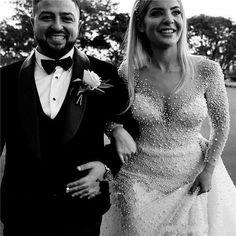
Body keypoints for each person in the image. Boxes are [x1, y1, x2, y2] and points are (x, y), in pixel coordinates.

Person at [100, 0, 236, 235]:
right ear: (141, 25)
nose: (169, 19)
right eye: (157, 13)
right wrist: (115, 129)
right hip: (137, 181)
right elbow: (107, 114)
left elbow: (221, 125)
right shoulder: (127, 71)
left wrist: (209, 170)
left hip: (192, 180)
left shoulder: (208, 70)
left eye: (176, 12)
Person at [0, 0, 128, 235]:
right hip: (21, 212)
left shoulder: (105, 73)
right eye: (47, 17)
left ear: (79, 24)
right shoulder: (4, 79)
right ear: (33, 22)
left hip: (82, 211)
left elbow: (133, 129)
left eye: (67, 18)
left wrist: (105, 166)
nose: (57, 25)